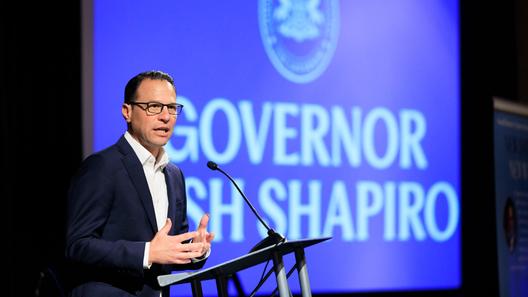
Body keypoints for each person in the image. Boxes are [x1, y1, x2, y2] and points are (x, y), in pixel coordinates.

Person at [65, 70, 214, 297]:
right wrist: (147, 253)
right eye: (154, 106)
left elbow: (168, 251)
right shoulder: (102, 167)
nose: (165, 116)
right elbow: (78, 245)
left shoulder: (173, 175)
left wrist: (195, 250)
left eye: (172, 108)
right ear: (127, 112)